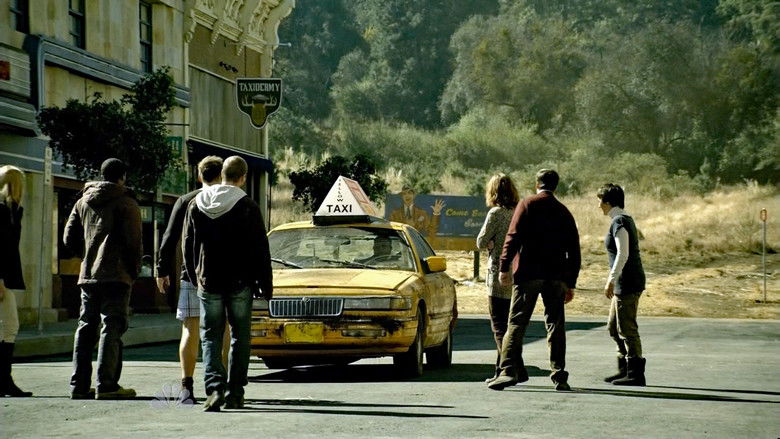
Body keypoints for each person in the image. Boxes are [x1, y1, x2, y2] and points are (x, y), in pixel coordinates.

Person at [183, 156, 273, 412]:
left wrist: (195, 276)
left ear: (222, 174)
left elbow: (187, 245)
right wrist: (265, 284)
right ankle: (235, 391)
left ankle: (214, 389)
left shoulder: (196, 204)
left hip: (208, 281)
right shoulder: (247, 206)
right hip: (240, 281)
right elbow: (260, 248)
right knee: (239, 336)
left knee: (210, 336)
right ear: (242, 178)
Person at [488, 169, 580, 392]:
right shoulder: (563, 211)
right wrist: (570, 282)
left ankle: (508, 371)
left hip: (528, 274)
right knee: (555, 325)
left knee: (516, 323)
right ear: (555, 186)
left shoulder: (527, 204)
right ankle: (559, 375)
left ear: (536, 183)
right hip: (555, 276)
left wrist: (504, 267)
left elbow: (513, 237)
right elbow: (574, 250)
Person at [64, 158, 142, 400]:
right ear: (123, 177)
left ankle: (79, 385)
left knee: (86, 326)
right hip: (117, 275)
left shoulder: (82, 202)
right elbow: (133, 243)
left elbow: (68, 238)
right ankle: (107, 384)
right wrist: (134, 271)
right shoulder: (127, 203)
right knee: (112, 326)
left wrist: (87, 256)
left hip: (89, 275)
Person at [155, 156, 230, 404]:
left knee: (190, 329)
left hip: (192, 275)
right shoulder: (232, 199)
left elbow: (169, 237)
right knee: (223, 331)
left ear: (199, 176)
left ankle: (186, 387)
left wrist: (161, 270)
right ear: (222, 175)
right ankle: (219, 386)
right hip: (224, 278)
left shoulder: (186, 200)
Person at [597, 183, 647, 386]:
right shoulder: (622, 220)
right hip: (623, 282)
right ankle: (624, 368)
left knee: (627, 328)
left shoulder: (620, 222)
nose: (599, 205)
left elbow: (623, 253)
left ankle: (635, 373)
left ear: (608, 202)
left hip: (628, 282)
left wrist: (611, 279)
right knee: (613, 327)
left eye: (600, 201)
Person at [476, 173, 519, 383]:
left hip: (497, 273)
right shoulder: (519, 212)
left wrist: (490, 243)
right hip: (517, 273)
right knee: (512, 325)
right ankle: (508, 368)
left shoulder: (495, 213)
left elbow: (480, 241)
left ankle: (507, 370)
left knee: (499, 326)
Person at [0, 166, 32, 397]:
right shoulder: (2, 210)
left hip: (5, 277)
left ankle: (4, 380)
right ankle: (4, 380)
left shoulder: (12, 209)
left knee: (7, 327)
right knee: (9, 326)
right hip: (1, 279)